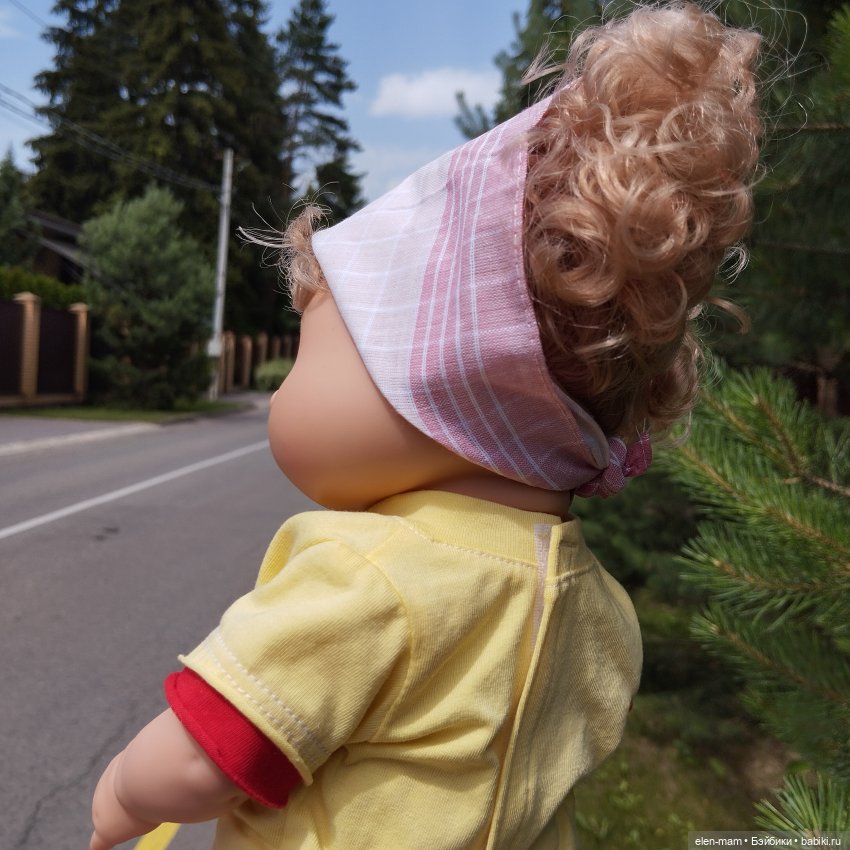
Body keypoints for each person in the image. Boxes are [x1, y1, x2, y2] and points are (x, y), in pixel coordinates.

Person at [90, 3, 762, 848]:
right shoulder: (604, 615)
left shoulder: (370, 580)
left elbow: (207, 751)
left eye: (309, 351)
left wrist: (122, 790)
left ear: (433, 385)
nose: (282, 392)